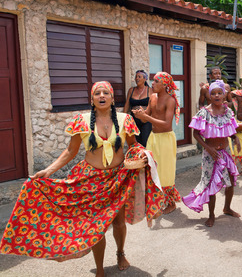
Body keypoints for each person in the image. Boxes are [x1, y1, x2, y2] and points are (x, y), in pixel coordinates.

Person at [0, 81, 164, 277]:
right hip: (91, 180)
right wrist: (48, 171)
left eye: (106, 93)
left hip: (118, 179)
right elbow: (70, 151)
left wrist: (143, 154)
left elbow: (133, 144)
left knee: (119, 222)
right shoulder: (82, 121)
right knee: (97, 226)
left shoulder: (124, 119)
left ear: (112, 99)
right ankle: (100, 268)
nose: (101, 96)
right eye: (97, 93)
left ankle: (120, 253)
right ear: (92, 99)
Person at [183, 80, 242, 227]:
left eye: (219, 93)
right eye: (213, 93)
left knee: (230, 182)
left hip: (226, 152)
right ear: (209, 96)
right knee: (211, 185)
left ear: (224, 95)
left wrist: (236, 138)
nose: (216, 95)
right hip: (211, 155)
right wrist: (208, 148)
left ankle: (227, 208)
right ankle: (211, 215)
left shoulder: (228, 111)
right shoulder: (204, 112)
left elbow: (231, 129)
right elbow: (196, 134)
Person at [133, 72, 181, 215]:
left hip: (166, 138)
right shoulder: (152, 97)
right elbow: (145, 119)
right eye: (153, 81)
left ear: (164, 85)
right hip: (153, 137)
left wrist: (146, 116)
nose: (152, 84)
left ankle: (171, 203)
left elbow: (167, 124)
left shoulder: (170, 100)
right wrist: (141, 115)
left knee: (166, 171)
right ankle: (157, 201)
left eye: (155, 81)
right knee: (152, 169)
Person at [123, 70, 153, 146]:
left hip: (146, 120)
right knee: (135, 143)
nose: (137, 79)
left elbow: (153, 106)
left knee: (145, 142)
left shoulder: (150, 90)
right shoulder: (131, 90)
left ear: (145, 79)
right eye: (136, 77)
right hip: (134, 120)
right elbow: (127, 105)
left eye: (139, 77)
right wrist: (123, 118)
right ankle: (137, 157)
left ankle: (147, 157)